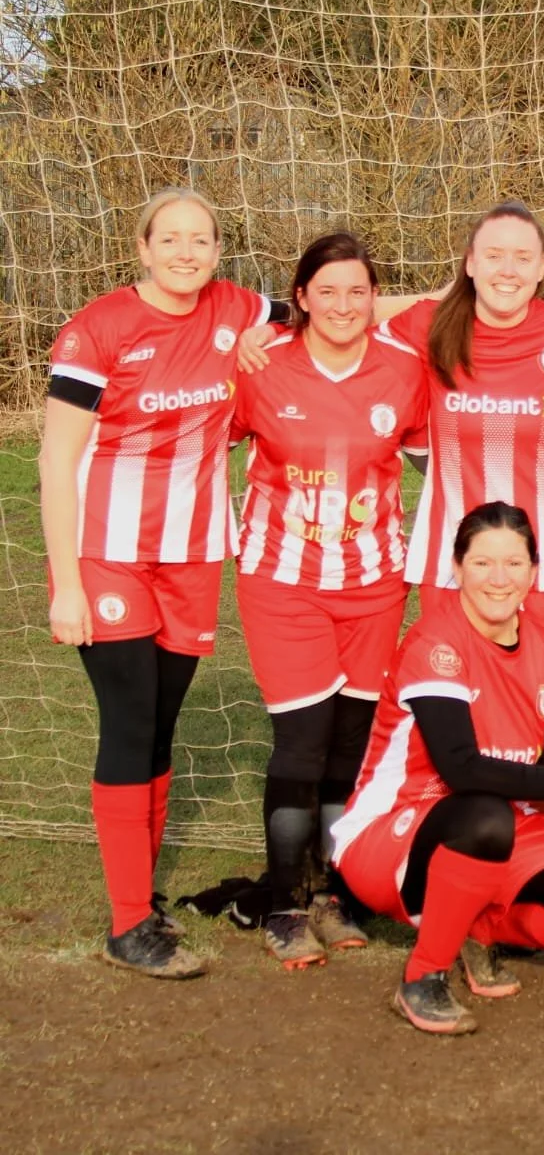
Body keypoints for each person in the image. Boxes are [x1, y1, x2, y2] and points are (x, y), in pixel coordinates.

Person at [41, 188, 279, 978]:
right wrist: (67, 585)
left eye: (201, 239)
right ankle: (126, 923)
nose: (186, 251)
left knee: (161, 724)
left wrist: (463, 290)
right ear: (142, 248)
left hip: (192, 553)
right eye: (169, 238)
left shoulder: (236, 307)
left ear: (218, 250)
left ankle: (142, 901)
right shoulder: (97, 329)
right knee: (129, 720)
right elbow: (54, 462)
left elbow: (333, 305)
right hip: (107, 553)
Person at [329, 501, 544, 1035]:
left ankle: (475, 928)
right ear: (456, 567)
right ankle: (423, 977)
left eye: (514, 564)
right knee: (484, 814)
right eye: (482, 563)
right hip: (393, 832)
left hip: (498, 820)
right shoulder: (436, 644)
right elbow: (463, 770)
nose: (499, 579)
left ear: (534, 572)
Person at [230, 232, 430, 968]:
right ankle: (285, 902)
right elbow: (194, 441)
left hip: (376, 584)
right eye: (328, 291)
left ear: (375, 300)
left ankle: (335, 896)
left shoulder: (405, 371)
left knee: (352, 747)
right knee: (301, 744)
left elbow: (438, 451)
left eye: (359, 291)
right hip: (284, 584)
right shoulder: (257, 367)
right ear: (301, 297)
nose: (344, 305)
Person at [374, 200, 544, 704]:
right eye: (493, 255)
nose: (508, 269)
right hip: (454, 558)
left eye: (523, 257)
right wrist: (441, 292)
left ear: (542, 268)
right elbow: (342, 310)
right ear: (470, 262)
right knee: (461, 708)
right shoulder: (430, 326)